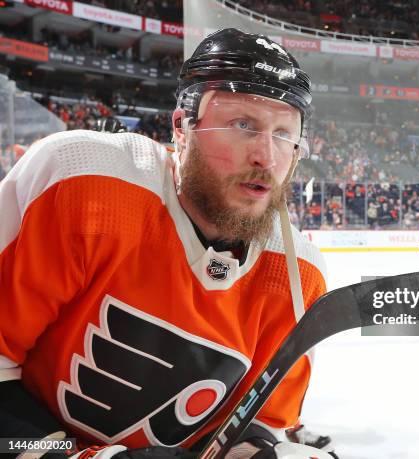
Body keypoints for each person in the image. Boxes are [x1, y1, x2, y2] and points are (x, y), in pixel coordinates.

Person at [0, 28, 335, 459]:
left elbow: (256, 419)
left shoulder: (298, 276)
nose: (266, 157)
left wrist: (257, 451)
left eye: (284, 134)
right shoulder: (82, 185)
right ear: (182, 126)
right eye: (242, 124)